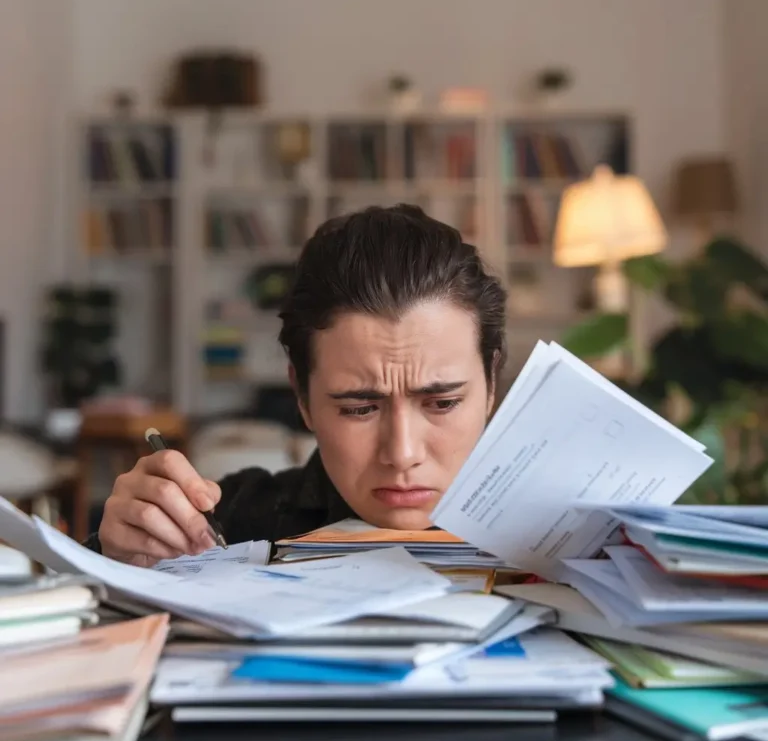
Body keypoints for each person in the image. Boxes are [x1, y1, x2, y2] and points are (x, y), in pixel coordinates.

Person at [84, 204, 507, 568]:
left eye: (443, 402)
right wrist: (114, 563)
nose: (402, 454)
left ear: (491, 384)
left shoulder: (566, 532)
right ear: (302, 396)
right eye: (359, 408)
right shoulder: (228, 525)